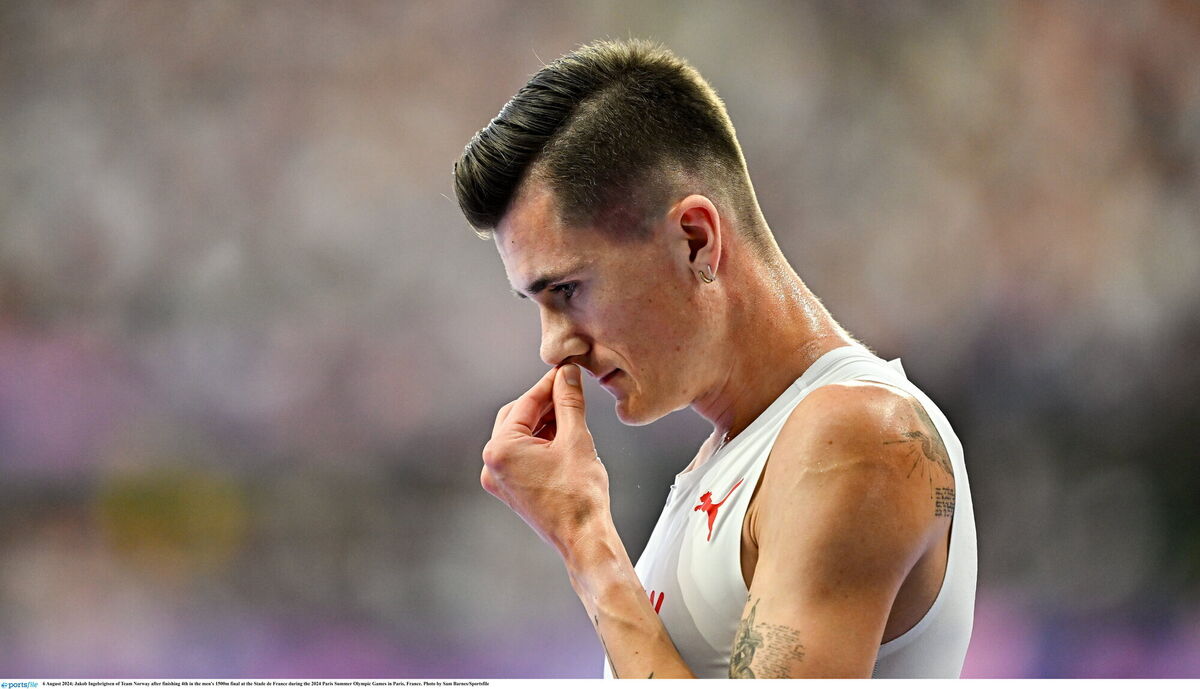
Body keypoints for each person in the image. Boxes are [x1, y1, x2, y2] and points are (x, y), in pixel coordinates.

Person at [453, 39, 976, 679]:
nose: (553, 345)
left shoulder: (854, 436)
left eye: (567, 290)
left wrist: (586, 539)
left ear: (695, 239)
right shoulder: (737, 454)